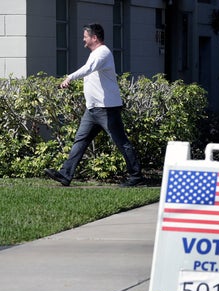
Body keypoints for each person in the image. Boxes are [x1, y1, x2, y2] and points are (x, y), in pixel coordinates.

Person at [44, 23, 144, 187]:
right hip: (93, 109)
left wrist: (69, 77)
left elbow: (89, 68)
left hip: (106, 108)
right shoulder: (96, 53)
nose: (83, 39)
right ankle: (65, 174)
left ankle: (136, 176)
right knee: (80, 140)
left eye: (85, 36)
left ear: (94, 37)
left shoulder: (103, 53)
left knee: (121, 141)